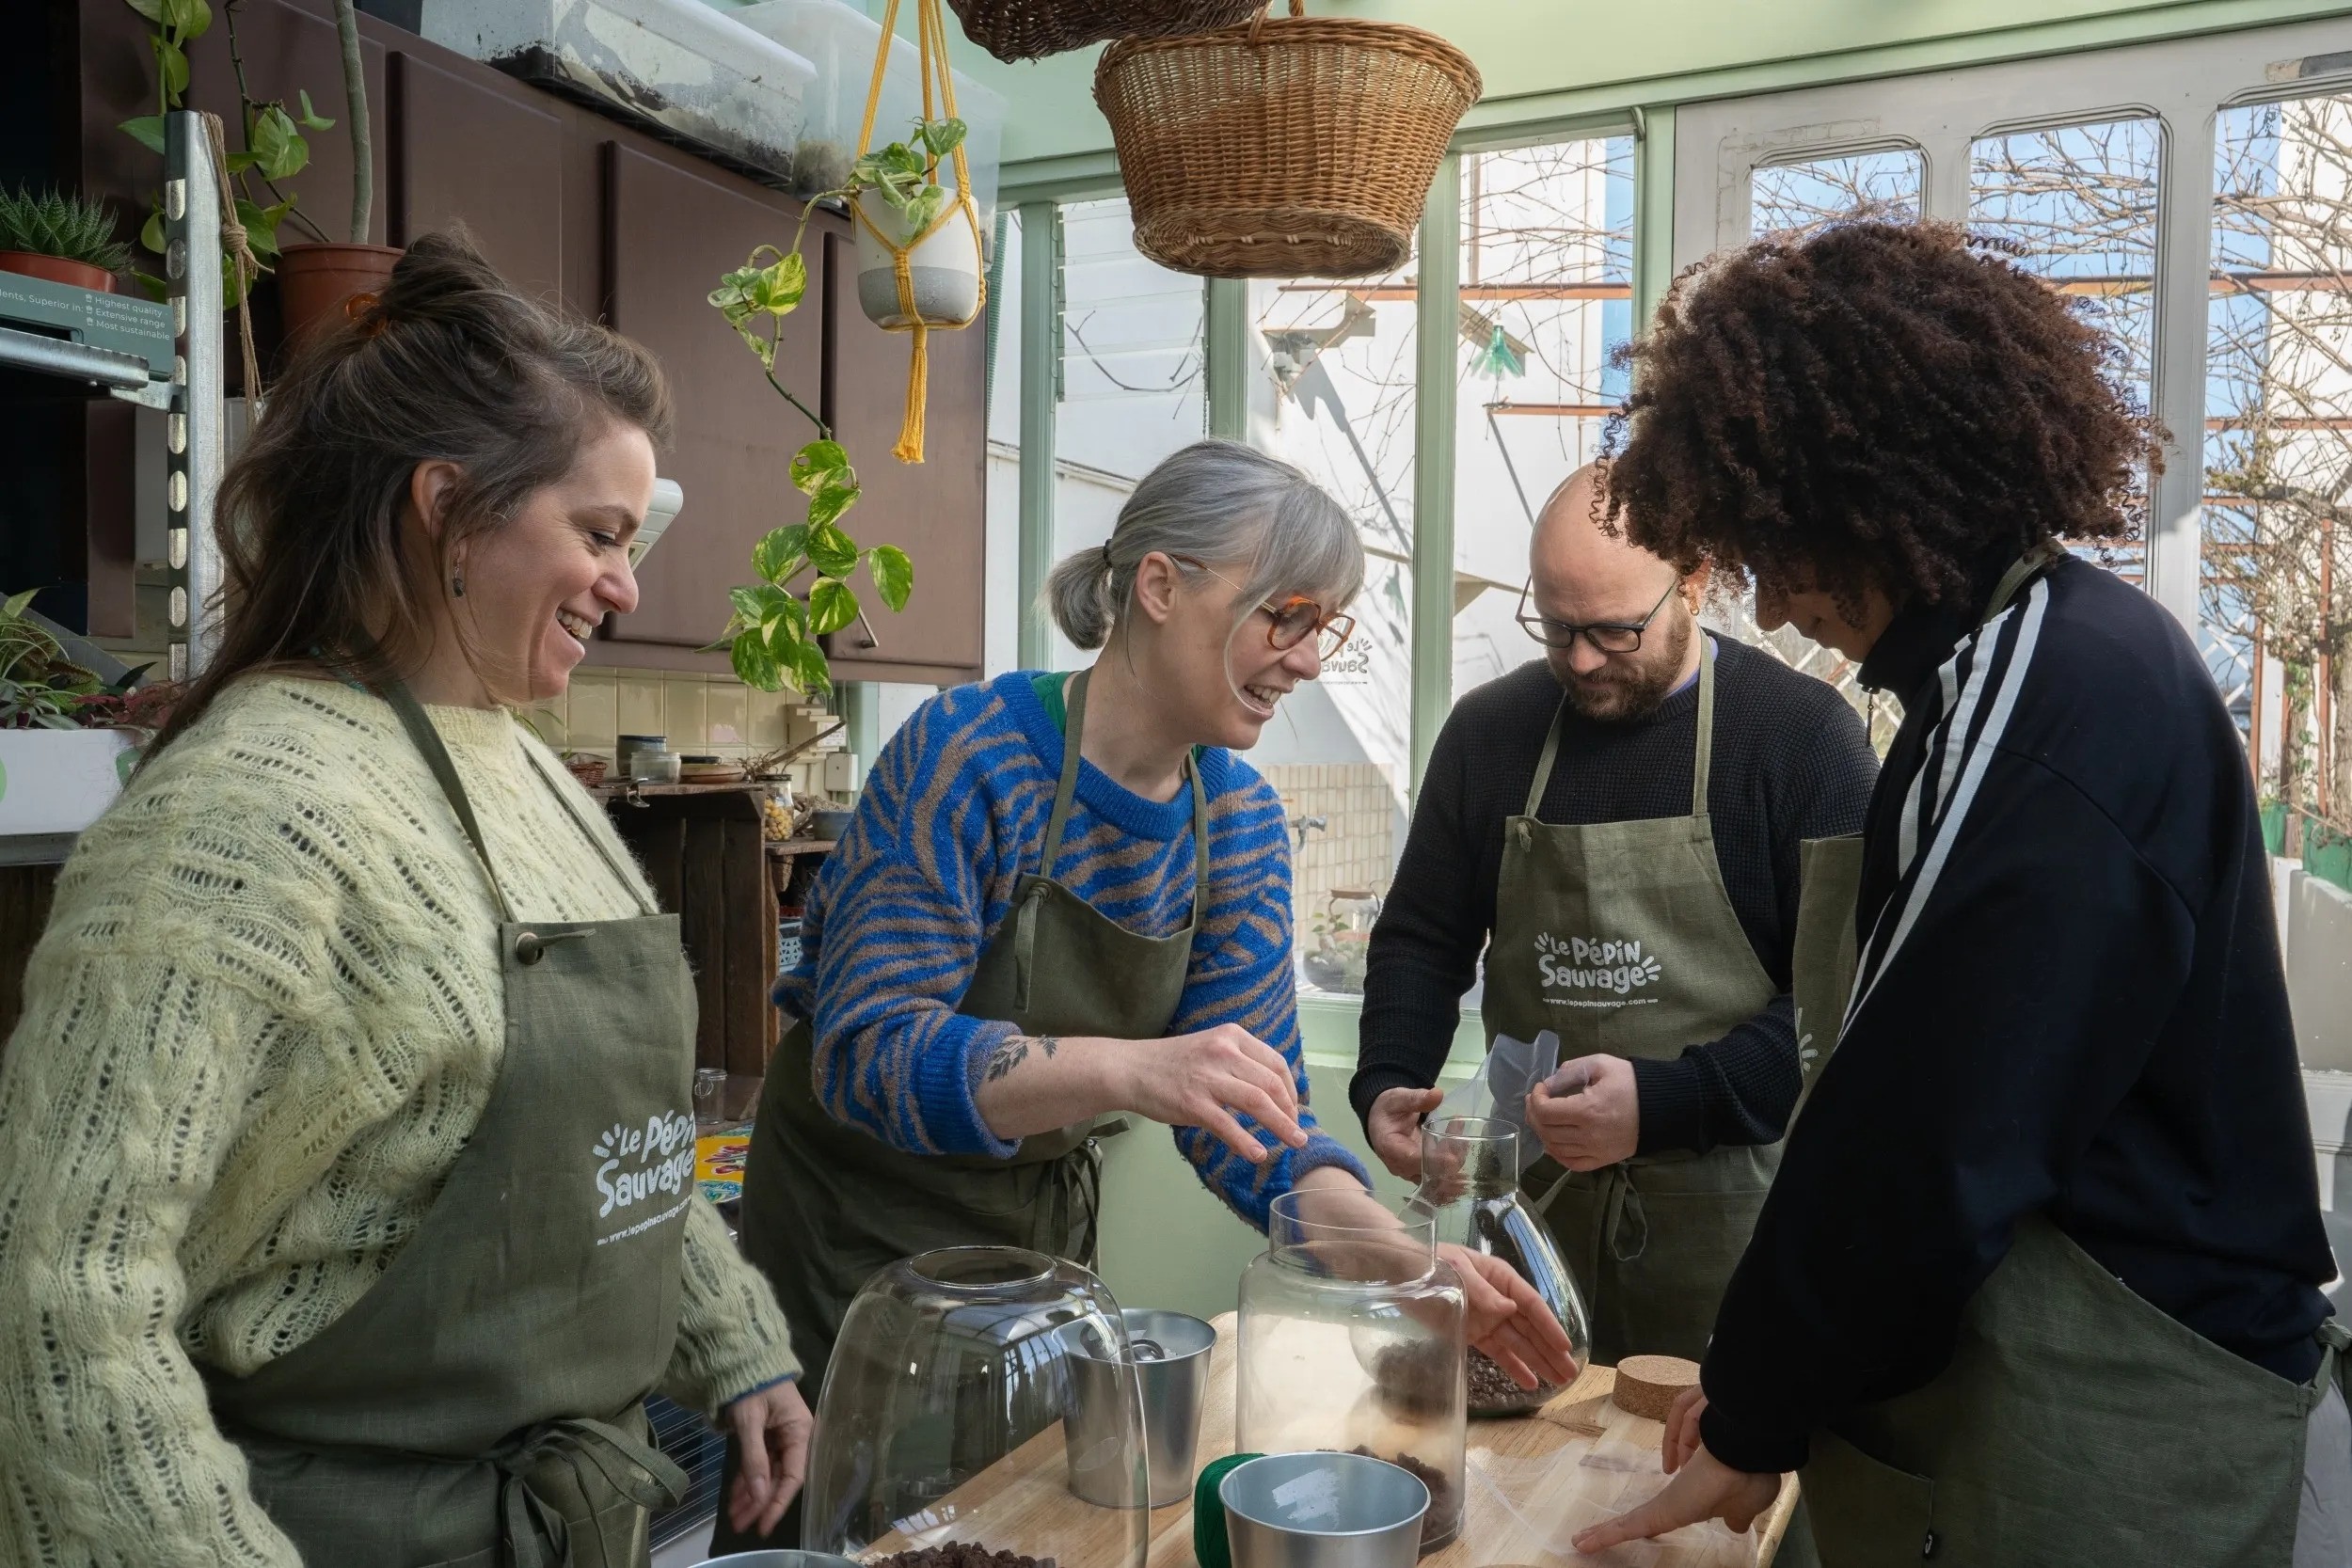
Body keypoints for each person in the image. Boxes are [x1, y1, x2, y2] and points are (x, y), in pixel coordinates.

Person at [0, 233, 812, 1567]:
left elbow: (620, 1154)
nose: (630, 583)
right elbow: (62, 1298)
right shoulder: (246, 814)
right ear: (450, 506)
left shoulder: (531, 772)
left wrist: (736, 1345)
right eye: (600, 533)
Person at [1573, 220, 2348, 1565]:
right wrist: (1773, 1365)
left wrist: (1763, 1401)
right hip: (2086, 1372)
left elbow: (1923, 1122)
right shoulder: (2062, 660)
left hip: (2111, 1405)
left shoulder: (2039, 698)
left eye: (1773, 545)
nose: (1772, 597)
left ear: (1855, 501)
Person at [719, 438, 1578, 1553]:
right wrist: (1133, 1068)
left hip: (1038, 1266)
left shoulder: (1239, 823)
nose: (1309, 658)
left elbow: (1254, 1126)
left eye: (1328, 625)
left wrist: (1405, 1265)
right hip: (847, 1244)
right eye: (1288, 615)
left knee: (1002, 1529)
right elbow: (869, 1054)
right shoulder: (968, 757)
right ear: (1163, 587)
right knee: (847, 1532)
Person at [1353, 466, 1878, 1368]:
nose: (1583, 660)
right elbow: (1422, 938)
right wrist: (1389, 1081)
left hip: (1733, 1233)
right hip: (1523, 1227)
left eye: (1612, 630)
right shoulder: (1489, 735)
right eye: (1556, 630)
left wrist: (1667, 1101)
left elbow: (1845, 1011)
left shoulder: (1804, 741)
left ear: (1698, 580)